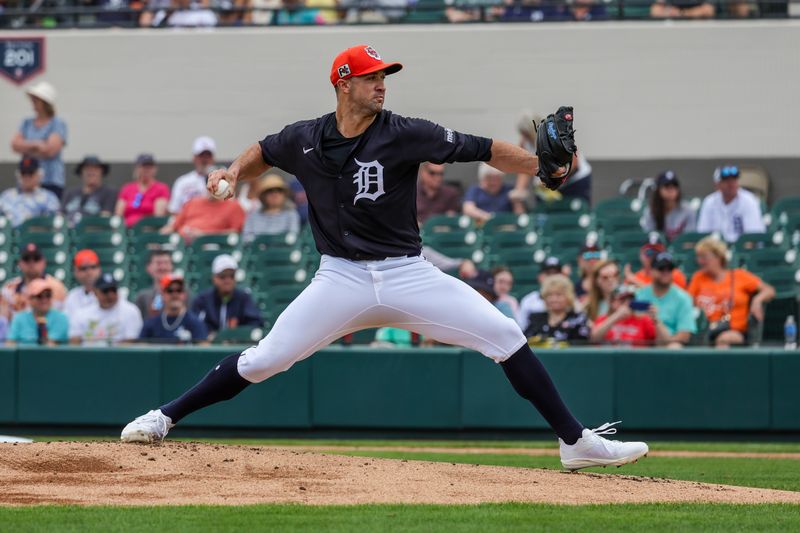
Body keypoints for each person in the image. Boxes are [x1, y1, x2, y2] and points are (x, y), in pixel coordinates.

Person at [121, 44, 647, 471]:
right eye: (372, 76)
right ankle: (164, 417)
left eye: (385, 76)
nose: (382, 84)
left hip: (407, 274)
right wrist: (234, 172)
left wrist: (538, 167)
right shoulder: (304, 138)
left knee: (506, 336)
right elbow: (263, 150)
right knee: (264, 360)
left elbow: (482, 148)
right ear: (343, 83)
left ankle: (575, 442)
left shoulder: (404, 132)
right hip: (340, 278)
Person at [687, 236, 774, 348]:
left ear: (718, 257)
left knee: (723, 340)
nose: (700, 261)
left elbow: (769, 290)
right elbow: (687, 302)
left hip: (733, 330)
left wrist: (757, 300)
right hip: (704, 331)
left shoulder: (738, 275)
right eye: (698, 257)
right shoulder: (698, 277)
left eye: (704, 257)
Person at [513, 111, 591, 205]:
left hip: (574, 178)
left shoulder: (555, 134)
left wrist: (552, 179)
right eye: (523, 134)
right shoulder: (525, 142)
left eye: (527, 133)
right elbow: (524, 166)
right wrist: (519, 189)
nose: (524, 137)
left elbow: (573, 164)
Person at [10, 81, 68, 198]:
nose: (33, 102)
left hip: (51, 181)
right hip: (27, 178)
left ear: (45, 103)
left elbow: (50, 150)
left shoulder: (58, 123)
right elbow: (15, 145)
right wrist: (37, 144)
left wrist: (26, 147)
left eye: (36, 99)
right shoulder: (26, 122)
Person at [634, 252, 697, 349]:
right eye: (661, 269)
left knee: (674, 347)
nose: (666, 272)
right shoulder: (640, 294)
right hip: (642, 342)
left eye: (669, 269)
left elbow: (684, 336)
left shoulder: (683, 298)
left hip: (668, 346)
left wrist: (657, 324)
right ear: (651, 271)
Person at [190, 254, 263, 336]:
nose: (227, 280)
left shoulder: (243, 298)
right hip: (209, 345)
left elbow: (255, 323)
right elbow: (194, 325)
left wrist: (237, 333)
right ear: (214, 278)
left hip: (237, 345)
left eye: (231, 276)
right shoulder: (202, 300)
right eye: (222, 276)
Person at [69, 273, 143, 346]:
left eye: (113, 290)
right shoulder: (82, 314)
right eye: (105, 291)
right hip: (88, 356)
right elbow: (74, 341)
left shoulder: (130, 311)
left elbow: (131, 342)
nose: (110, 295)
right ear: (95, 292)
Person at [696, 165, 766, 243]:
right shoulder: (709, 202)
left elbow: (753, 237)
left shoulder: (749, 201)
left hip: (741, 249)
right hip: (716, 249)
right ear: (717, 185)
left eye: (734, 180)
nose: (731, 184)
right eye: (726, 181)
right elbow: (703, 235)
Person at [1, 243, 68, 321]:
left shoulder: (57, 288)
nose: (31, 263)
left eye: (36, 258)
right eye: (26, 259)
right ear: (20, 263)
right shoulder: (9, 288)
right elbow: (3, 322)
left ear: (44, 262)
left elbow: (63, 319)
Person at [140, 274, 208, 344]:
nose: (175, 294)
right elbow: (141, 349)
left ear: (184, 294)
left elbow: (203, 351)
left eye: (179, 290)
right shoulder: (151, 323)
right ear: (162, 294)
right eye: (170, 290)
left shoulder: (195, 323)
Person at [524, 274, 590, 346]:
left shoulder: (578, 319)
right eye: (550, 295)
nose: (554, 299)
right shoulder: (535, 318)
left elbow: (581, 345)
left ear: (568, 297)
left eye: (559, 295)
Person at [160, 187, 246, 243]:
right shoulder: (192, 202)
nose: (213, 188)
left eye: (217, 185)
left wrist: (205, 235)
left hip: (212, 246)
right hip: (182, 243)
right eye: (210, 183)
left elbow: (236, 232)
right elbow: (175, 225)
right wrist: (161, 235)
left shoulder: (234, 206)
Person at [590, 285, 659, 347]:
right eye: (622, 300)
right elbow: (593, 339)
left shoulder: (643, 320)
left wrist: (656, 320)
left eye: (631, 299)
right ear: (612, 302)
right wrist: (616, 316)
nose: (627, 303)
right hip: (609, 359)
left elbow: (662, 342)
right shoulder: (603, 319)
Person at [0, 157, 61, 228]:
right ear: (18, 175)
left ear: (39, 175)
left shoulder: (49, 198)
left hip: (37, 236)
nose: (26, 177)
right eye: (23, 173)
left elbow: (55, 222)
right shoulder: (6, 196)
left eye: (30, 173)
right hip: (9, 235)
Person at [5, 279, 69, 346]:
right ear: (29, 299)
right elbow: (10, 344)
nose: (44, 300)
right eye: (39, 296)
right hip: (23, 355)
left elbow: (51, 347)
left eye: (48, 295)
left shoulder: (61, 318)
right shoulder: (19, 318)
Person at [115, 153, 170, 228]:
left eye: (150, 167)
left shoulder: (161, 188)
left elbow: (158, 216)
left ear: (155, 169)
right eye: (143, 166)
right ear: (137, 168)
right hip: (127, 229)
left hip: (147, 229)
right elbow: (118, 214)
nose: (146, 169)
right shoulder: (127, 188)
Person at [61, 155, 118, 226]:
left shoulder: (109, 192)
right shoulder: (70, 193)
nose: (91, 172)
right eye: (87, 169)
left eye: (95, 169)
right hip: (68, 231)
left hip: (93, 232)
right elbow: (60, 215)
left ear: (101, 172)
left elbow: (105, 216)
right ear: (81, 172)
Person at [242, 174, 301, 242]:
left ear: (284, 195)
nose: (275, 194)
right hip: (258, 251)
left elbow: (293, 238)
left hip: (282, 250)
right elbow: (246, 239)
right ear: (263, 196)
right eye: (270, 191)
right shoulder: (253, 216)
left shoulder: (291, 215)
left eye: (279, 190)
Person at [168, 136, 218, 216]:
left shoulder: (222, 179)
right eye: (201, 156)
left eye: (208, 155)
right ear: (194, 157)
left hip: (215, 222)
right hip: (188, 222)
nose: (204, 160)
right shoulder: (183, 182)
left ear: (213, 158)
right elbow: (174, 210)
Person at [641, 170, 696, 242]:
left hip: (681, 251)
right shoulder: (650, 211)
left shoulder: (688, 210)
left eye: (674, 186)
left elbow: (690, 239)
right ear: (658, 190)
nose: (671, 190)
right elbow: (649, 238)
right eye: (666, 186)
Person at [517, 256, 567, 332]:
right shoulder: (529, 301)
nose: (552, 277)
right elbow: (521, 329)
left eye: (556, 273)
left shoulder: (569, 299)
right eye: (548, 273)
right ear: (539, 276)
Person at [134, 250, 188, 319]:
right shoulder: (143, 297)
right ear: (148, 267)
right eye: (158, 263)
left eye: (166, 263)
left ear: (172, 266)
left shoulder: (182, 292)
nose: (163, 267)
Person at [64, 249, 102, 317]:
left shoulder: (110, 292)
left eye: (93, 267)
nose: (89, 272)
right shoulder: (72, 296)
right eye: (83, 268)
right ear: (75, 272)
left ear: (99, 269)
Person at [650, 0, 715, 18]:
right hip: (673, 29)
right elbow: (655, 10)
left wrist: (682, 13)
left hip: (697, 28)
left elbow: (709, 10)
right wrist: (668, 11)